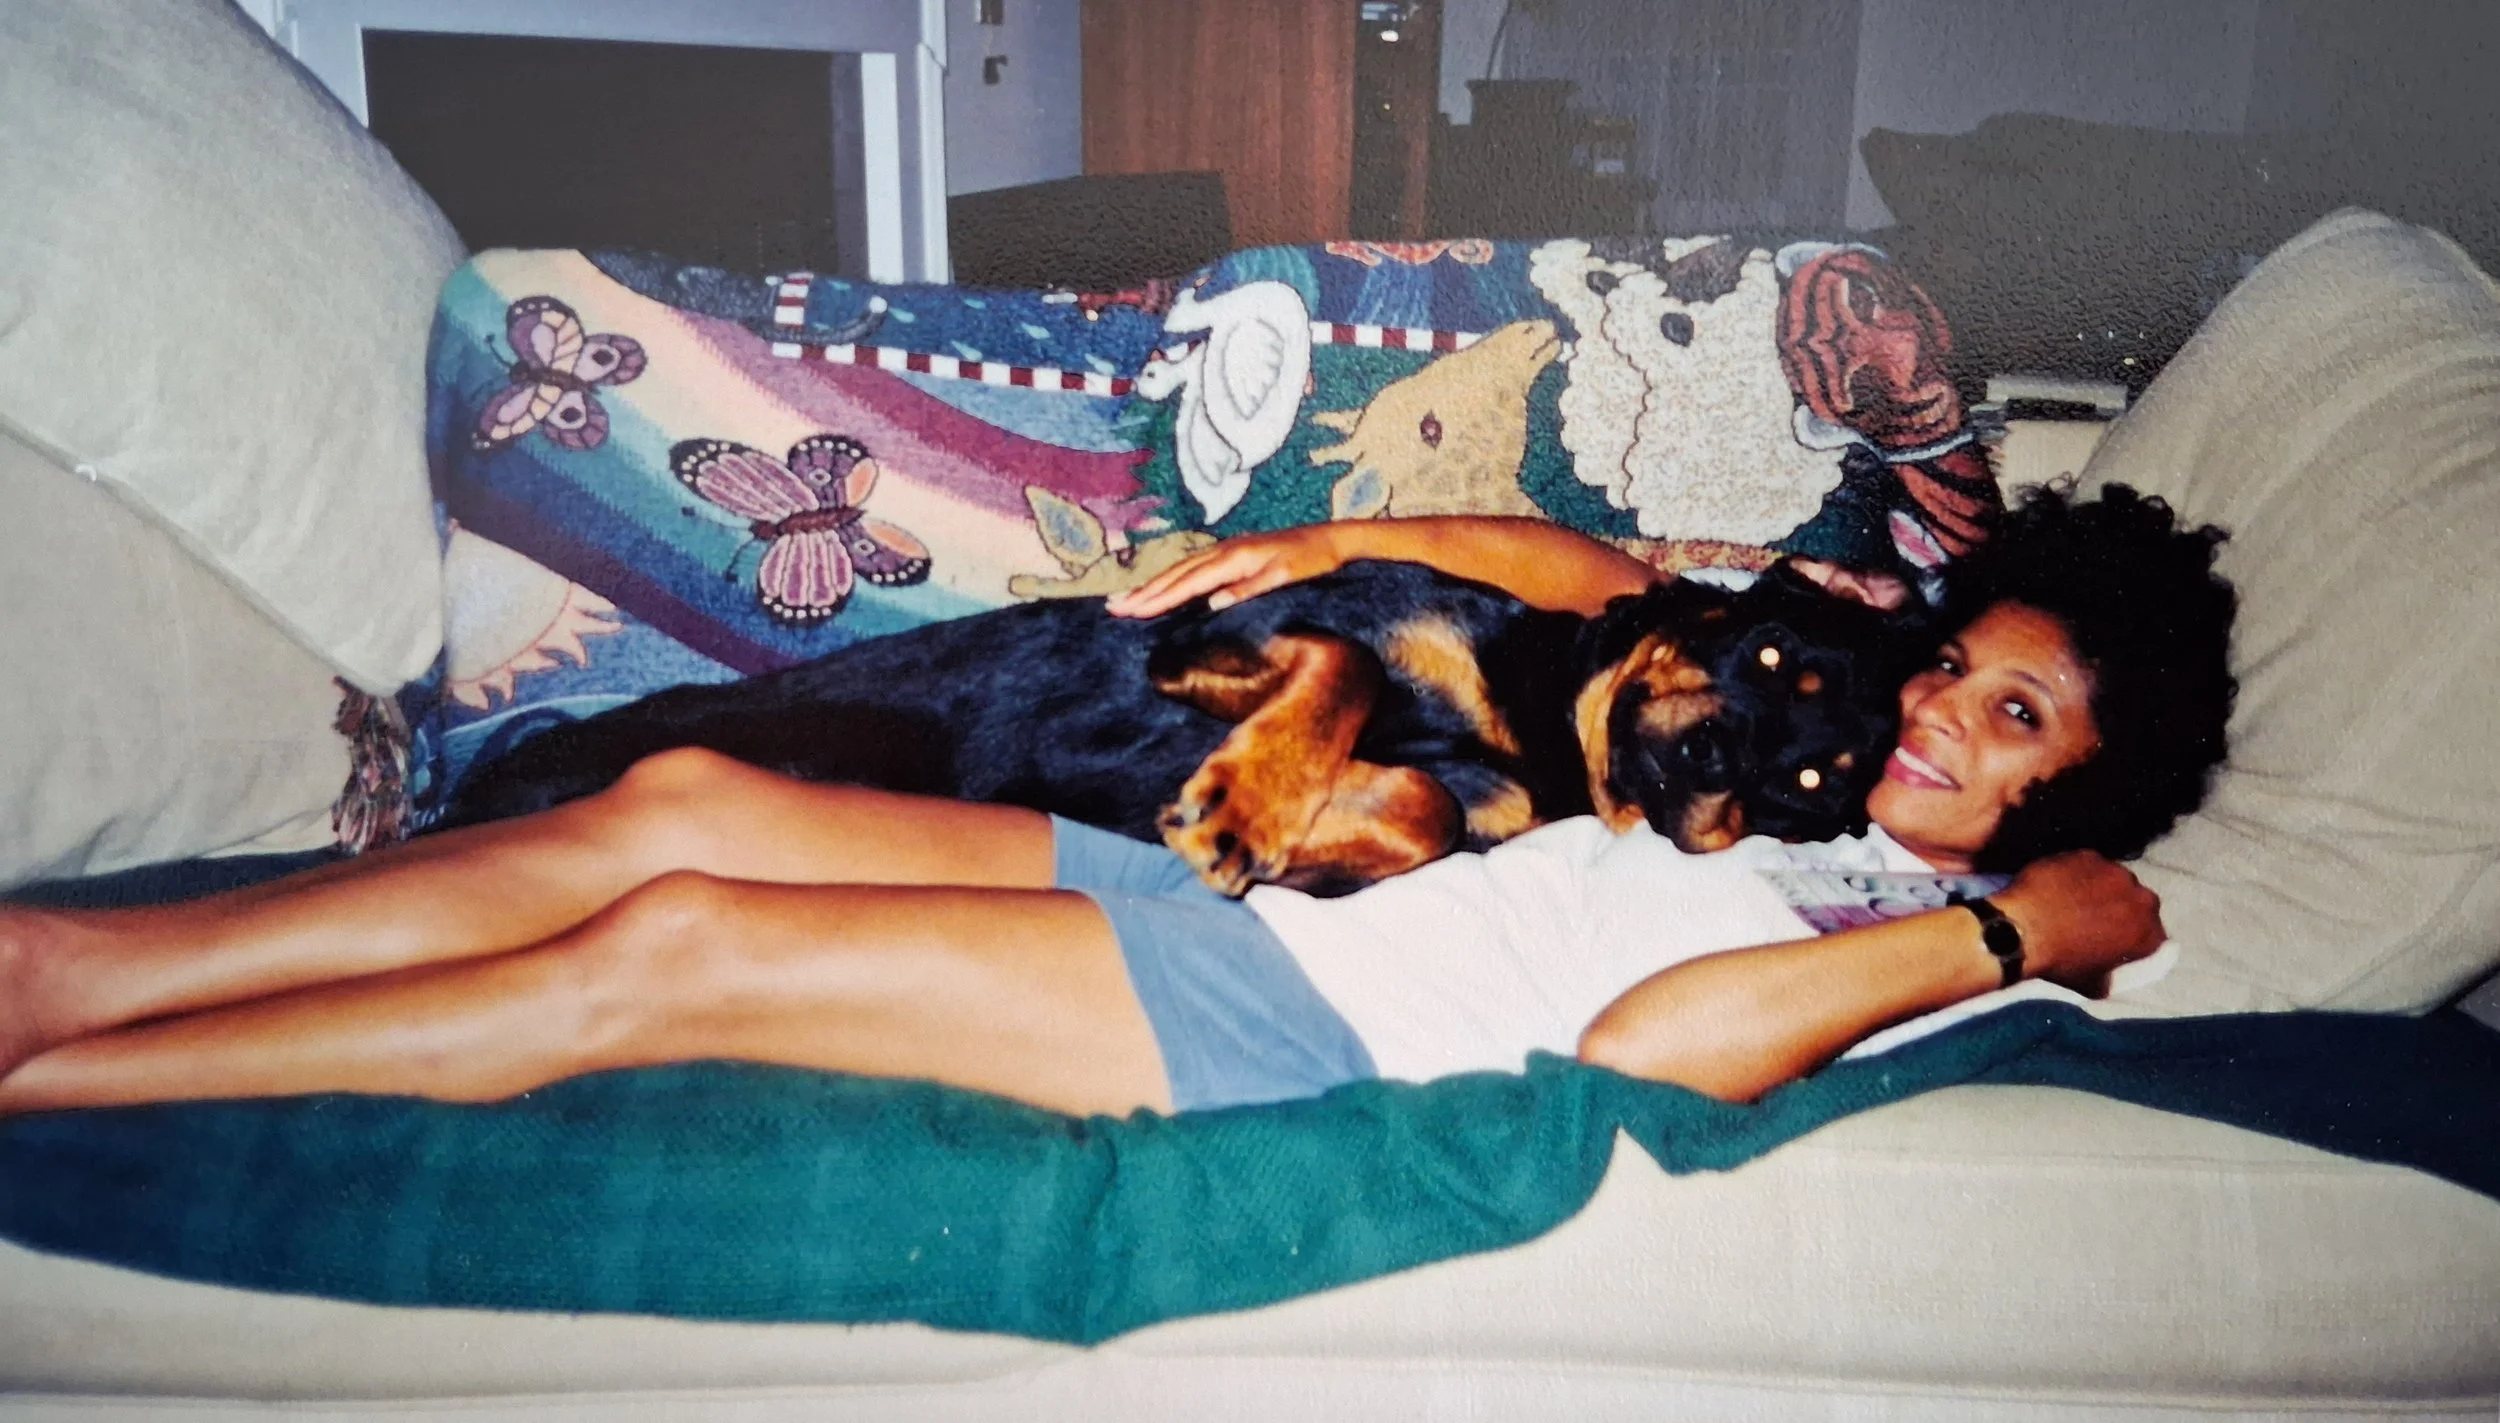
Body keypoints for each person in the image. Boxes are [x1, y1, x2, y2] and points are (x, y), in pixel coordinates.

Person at [0, 484, 2233, 1118]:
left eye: (2011, 730)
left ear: (2075, 802)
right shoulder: (1798, 703)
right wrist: (1388, 554)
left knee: (667, 951)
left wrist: (2025, 928)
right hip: (1277, 896)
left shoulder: (1912, 932)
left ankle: (52, 1084)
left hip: (1325, 1028)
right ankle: (61, 960)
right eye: (1958, 669)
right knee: (669, 796)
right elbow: (1617, 589)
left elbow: (1658, 1049)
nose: (1941, 723)